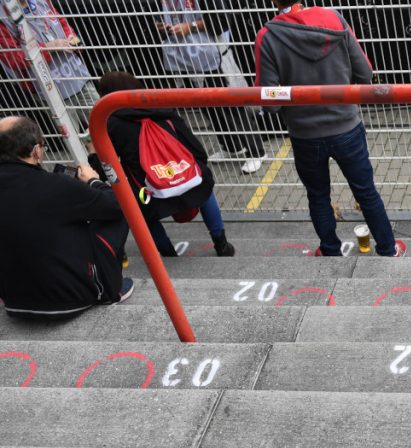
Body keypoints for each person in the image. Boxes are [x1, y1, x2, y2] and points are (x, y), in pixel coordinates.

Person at [256, 1, 405, 257]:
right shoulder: (334, 18)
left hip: (304, 134)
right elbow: (365, 74)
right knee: (366, 191)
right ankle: (388, 248)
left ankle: (330, 250)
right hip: (346, 125)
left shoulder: (267, 36)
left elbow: (269, 103)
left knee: (318, 196)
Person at [0, 116, 133, 319]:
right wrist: (94, 182)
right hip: (70, 300)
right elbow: (116, 205)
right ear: (36, 150)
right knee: (118, 213)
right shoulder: (56, 185)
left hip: (14, 302)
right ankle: (108, 289)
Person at [98, 70, 235, 258]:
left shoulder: (110, 124)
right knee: (203, 182)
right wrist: (197, 166)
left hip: (149, 190)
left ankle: (167, 253)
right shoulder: (163, 109)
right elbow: (195, 148)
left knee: (140, 208)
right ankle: (222, 244)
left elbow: (106, 168)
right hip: (186, 178)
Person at [157, 0, 267, 174]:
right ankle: (232, 147)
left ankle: (256, 151)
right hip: (187, 58)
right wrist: (163, 26)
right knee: (209, 108)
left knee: (231, 107)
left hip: (212, 56)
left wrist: (190, 26)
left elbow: (222, 22)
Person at [0, 0, 97, 141]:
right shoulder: (3, 18)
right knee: (74, 141)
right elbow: (13, 59)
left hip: (77, 76)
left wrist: (72, 37)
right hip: (49, 90)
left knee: (105, 123)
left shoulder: (42, 1)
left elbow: (61, 22)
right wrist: (48, 47)